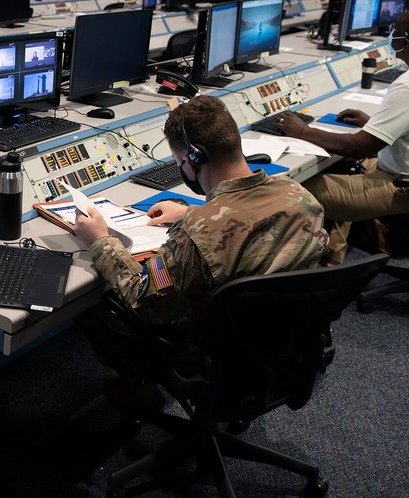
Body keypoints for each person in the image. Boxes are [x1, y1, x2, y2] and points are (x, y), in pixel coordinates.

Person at [73, 95, 327, 412]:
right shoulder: (300, 197)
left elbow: (142, 300)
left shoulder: (195, 237)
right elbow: (245, 218)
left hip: (207, 358)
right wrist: (191, 212)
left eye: (179, 162)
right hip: (283, 345)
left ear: (193, 159)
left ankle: (137, 388)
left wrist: (99, 239)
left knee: (99, 303)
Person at [274, 8, 409, 266]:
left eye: (396, 32)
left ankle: (315, 269)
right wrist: (375, 124)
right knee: (345, 168)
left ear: (405, 41)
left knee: (297, 188)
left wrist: (303, 131)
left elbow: (360, 147)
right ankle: (332, 258)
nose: (392, 37)